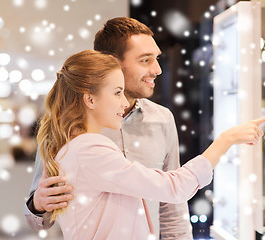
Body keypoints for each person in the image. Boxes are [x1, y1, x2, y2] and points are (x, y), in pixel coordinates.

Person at [36, 49, 265, 239]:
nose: (123, 103)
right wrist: (226, 140)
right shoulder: (89, 149)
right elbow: (173, 187)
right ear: (89, 99)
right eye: (117, 92)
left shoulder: (76, 147)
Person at [24, 17, 194, 239]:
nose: (157, 69)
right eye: (145, 60)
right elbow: (38, 222)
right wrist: (38, 204)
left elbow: (172, 209)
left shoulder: (163, 119)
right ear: (113, 62)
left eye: (157, 59)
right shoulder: (67, 126)